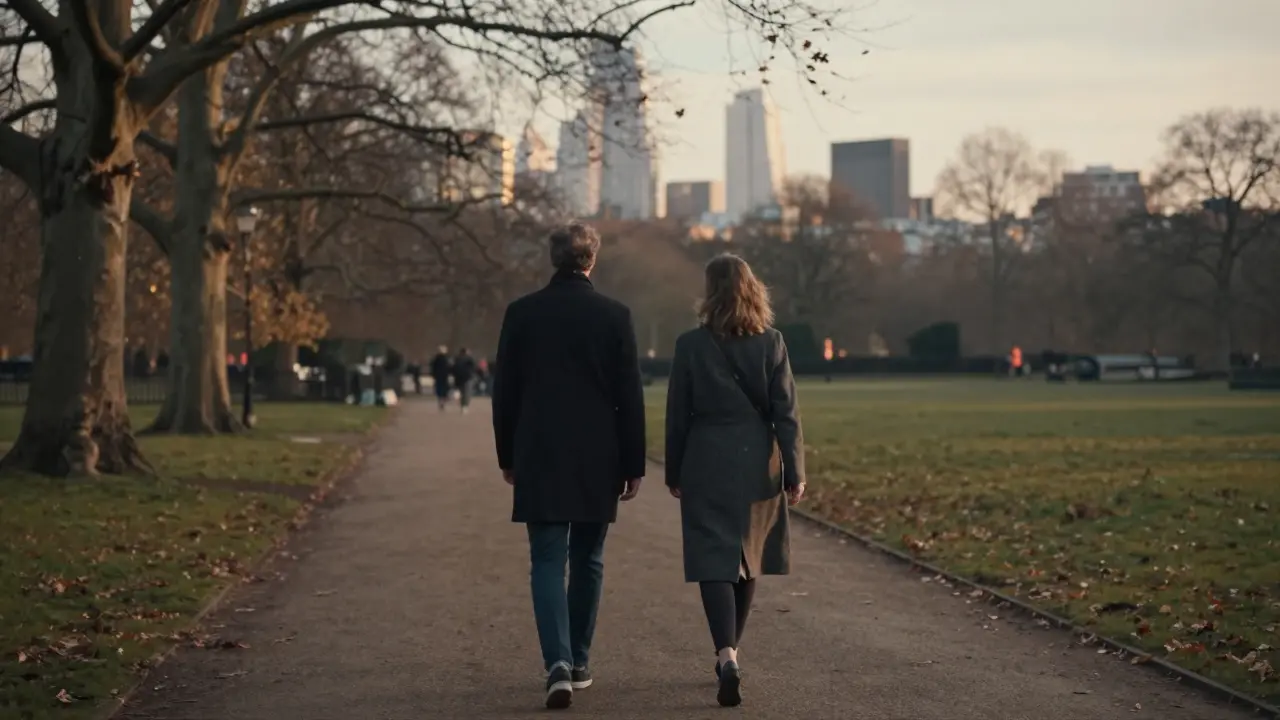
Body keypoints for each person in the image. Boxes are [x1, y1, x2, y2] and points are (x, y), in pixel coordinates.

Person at [491, 222, 646, 710]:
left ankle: (555, 662)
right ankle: (578, 661)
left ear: (553, 259)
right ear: (591, 260)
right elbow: (630, 397)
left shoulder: (522, 314)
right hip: (598, 454)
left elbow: (505, 394)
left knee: (546, 558)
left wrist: (507, 456)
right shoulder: (615, 316)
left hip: (539, 450)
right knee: (589, 558)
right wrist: (633, 461)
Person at [664, 253, 805, 708]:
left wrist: (674, 468)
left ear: (710, 292)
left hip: (705, 456)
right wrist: (795, 472)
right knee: (750, 553)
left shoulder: (690, 345)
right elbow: (787, 413)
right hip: (756, 460)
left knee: (712, 557)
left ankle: (726, 653)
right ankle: (731, 654)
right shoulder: (772, 342)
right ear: (752, 289)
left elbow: (677, 414)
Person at [451, 347, 478, 413]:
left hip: (459, 378)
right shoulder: (469, 359)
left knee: (462, 392)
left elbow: (453, 369)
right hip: (467, 378)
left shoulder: (457, 359)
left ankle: (463, 405)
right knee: (467, 393)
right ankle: (464, 406)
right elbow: (474, 368)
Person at [429, 346, 452, 411]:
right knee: (444, 389)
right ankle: (443, 400)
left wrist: (433, 375)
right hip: (444, 376)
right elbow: (449, 367)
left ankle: (441, 401)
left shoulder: (436, 359)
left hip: (438, 376)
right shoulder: (447, 359)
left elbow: (433, 367)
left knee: (439, 389)